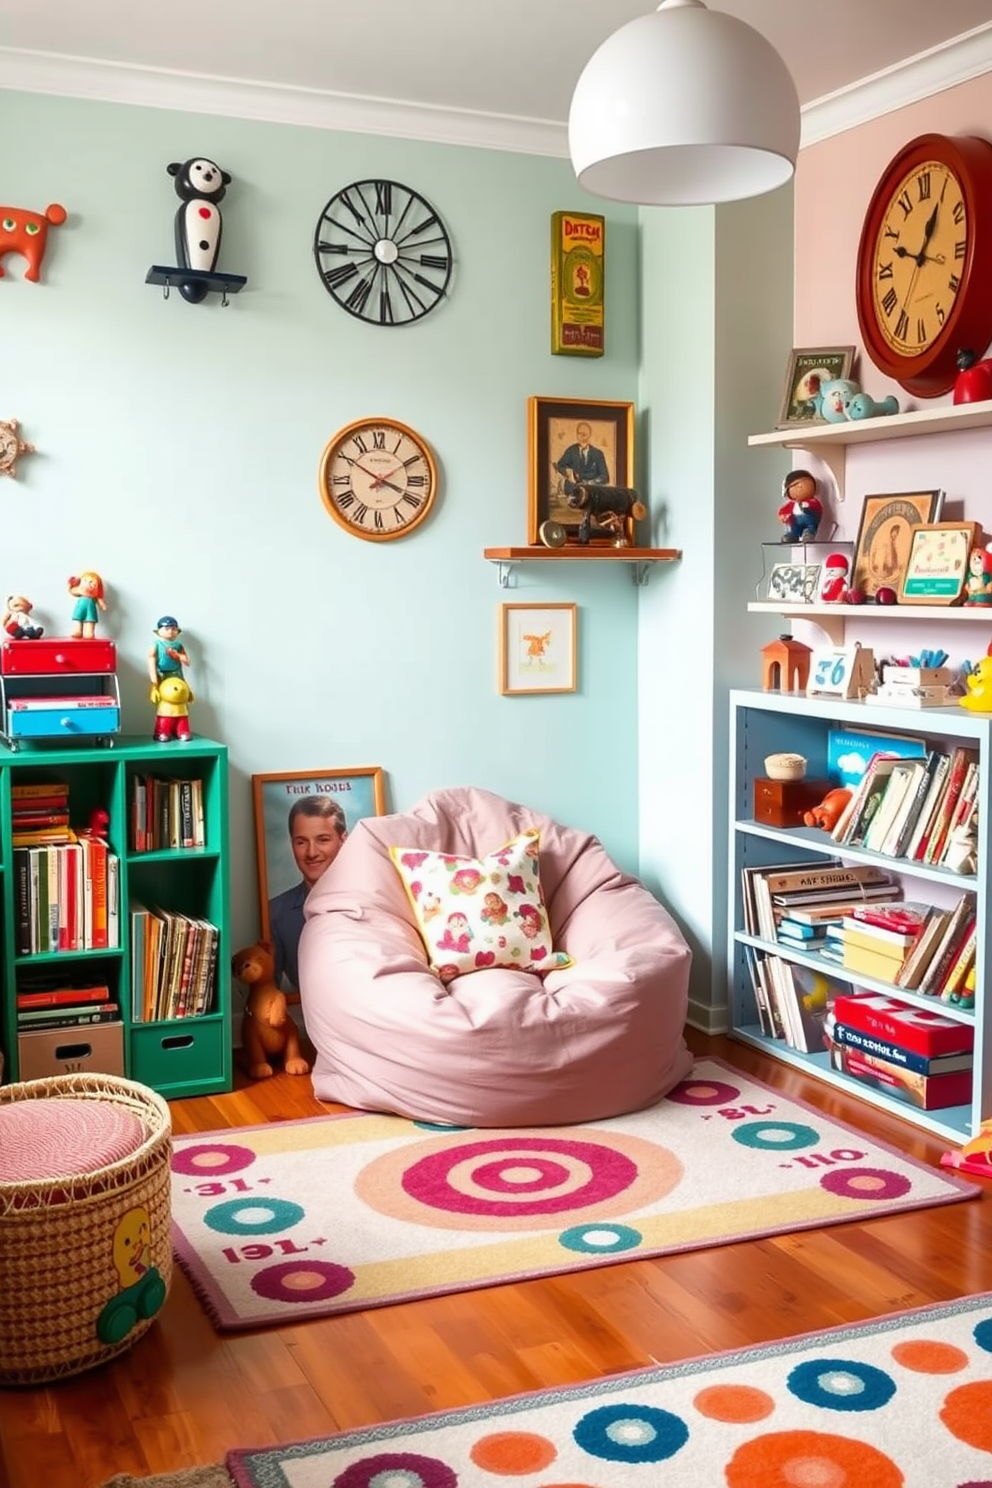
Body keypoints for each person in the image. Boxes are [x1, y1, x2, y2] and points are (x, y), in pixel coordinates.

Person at [268, 796, 347, 991]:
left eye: (323, 840)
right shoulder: (276, 912)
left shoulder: (374, 899)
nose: (312, 853)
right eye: (301, 842)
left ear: (343, 840)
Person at [554, 420, 609, 494]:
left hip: (592, 491)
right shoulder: (571, 451)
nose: (583, 436)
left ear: (589, 435)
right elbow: (559, 465)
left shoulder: (598, 454)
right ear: (577, 435)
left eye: (585, 434)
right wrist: (567, 472)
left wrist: (591, 482)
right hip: (573, 490)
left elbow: (605, 476)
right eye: (580, 433)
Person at [147, 616, 191, 687]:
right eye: (167, 629)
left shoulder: (178, 645)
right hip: (161, 674)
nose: (170, 631)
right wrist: (154, 682)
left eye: (173, 629)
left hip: (177, 674)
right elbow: (151, 662)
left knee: (180, 693)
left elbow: (187, 662)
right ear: (159, 631)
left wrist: (180, 656)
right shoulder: (157, 644)